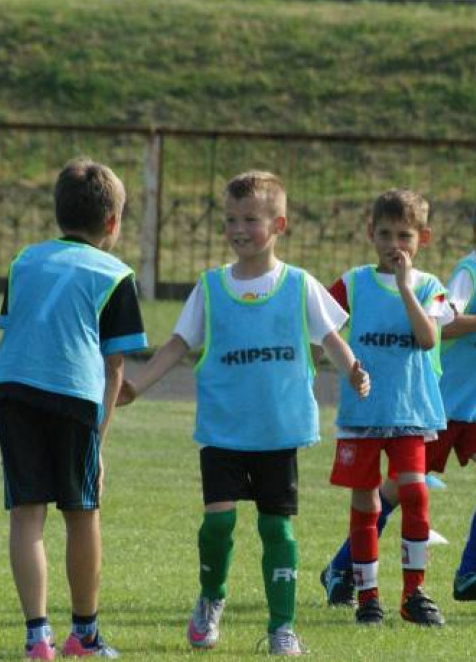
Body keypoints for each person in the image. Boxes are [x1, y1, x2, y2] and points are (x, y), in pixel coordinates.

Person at [118, 170, 370, 655]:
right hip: (224, 432)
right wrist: (138, 385)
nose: (239, 229)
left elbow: (331, 339)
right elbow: (177, 344)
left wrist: (354, 370)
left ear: (279, 224)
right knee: (218, 524)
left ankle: (282, 626)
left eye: (250, 219)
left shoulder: (298, 285)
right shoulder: (211, 287)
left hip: (276, 433)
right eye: (231, 219)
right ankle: (211, 600)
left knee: (276, 528)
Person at [321, 182, 476, 609]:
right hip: (440, 406)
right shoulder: (466, 274)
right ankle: (342, 566)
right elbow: (442, 325)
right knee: (398, 492)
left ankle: (471, 573)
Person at [0, 158, 148, 660]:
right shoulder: (116, 274)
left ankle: (38, 638)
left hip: (13, 391)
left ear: (59, 215)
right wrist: (98, 444)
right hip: (73, 395)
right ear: (113, 222)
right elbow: (114, 368)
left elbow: (18, 325)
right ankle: (84, 634)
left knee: (27, 515)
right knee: (82, 512)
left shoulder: (24, 260)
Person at [325, 189, 453, 627]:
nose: (394, 244)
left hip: (410, 412)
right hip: (363, 414)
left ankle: (414, 594)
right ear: (369, 234)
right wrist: (348, 366)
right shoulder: (353, 282)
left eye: (404, 235)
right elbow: (322, 327)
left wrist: (404, 287)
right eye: (384, 234)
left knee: (415, 493)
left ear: (424, 238)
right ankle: (367, 597)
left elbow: (428, 338)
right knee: (366, 503)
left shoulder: (432, 287)